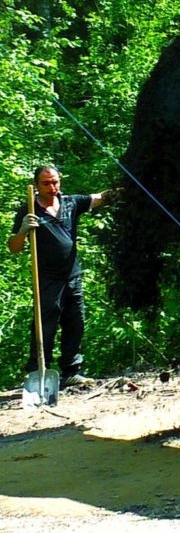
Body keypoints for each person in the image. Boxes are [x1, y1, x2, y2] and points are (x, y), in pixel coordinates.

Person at [7, 165, 120, 389]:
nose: (52, 187)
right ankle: (38, 372)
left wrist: (127, 189)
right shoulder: (29, 209)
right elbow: (14, 247)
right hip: (47, 279)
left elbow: (99, 198)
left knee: (75, 322)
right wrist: (22, 230)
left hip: (73, 275)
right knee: (45, 325)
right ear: (36, 185)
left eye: (55, 182)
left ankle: (71, 372)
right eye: (46, 183)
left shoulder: (69, 203)